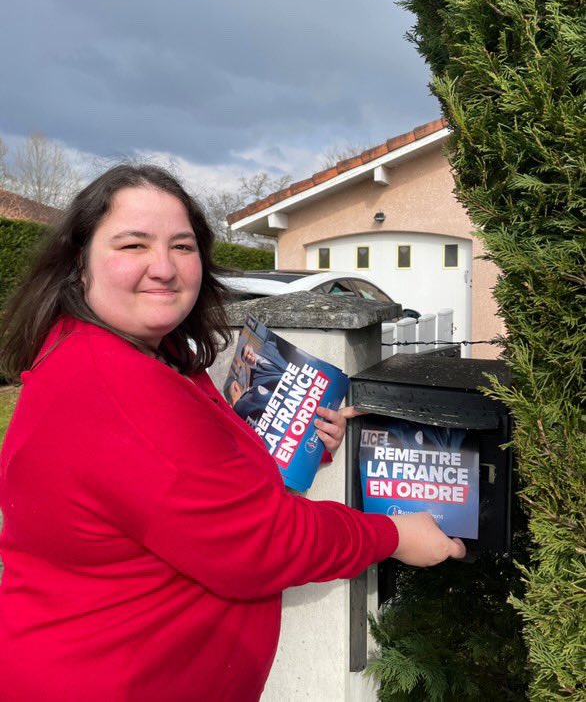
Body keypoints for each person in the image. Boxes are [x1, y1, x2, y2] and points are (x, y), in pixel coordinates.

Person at [0, 164, 466, 701]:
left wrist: (298, 448)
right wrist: (394, 535)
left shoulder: (122, 356)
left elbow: (181, 492)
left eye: (182, 246)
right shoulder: (119, 387)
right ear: (78, 264)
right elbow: (261, 543)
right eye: (132, 245)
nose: (163, 268)